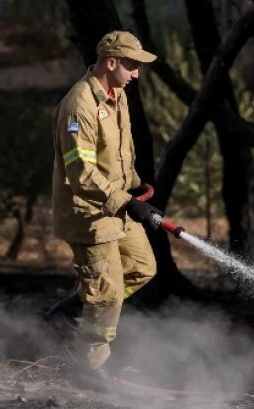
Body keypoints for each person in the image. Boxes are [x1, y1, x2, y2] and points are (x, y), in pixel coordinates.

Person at [51, 30, 163, 384]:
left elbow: (117, 156)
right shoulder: (78, 105)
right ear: (110, 62)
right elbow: (81, 173)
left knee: (143, 267)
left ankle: (76, 308)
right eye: (132, 65)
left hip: (118, 207)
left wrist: (136, 190)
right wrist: (125, 201)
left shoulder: (117, 97)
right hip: (88, 215)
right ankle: (88, 369)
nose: (136, 73)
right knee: (108, 295)